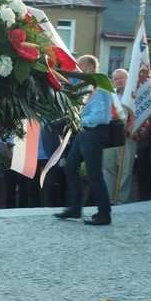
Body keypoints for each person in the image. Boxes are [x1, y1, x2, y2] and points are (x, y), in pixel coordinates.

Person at [56, 55, 113, 226]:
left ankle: (104, 214)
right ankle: (75, 208)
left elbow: (100, 116)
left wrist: (78, 120)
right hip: (85, 132)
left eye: (79, 67)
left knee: (94, 173)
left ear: (89, 67)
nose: (76, 70)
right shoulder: (89, 85)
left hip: (95, 132)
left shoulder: (101, 85)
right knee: (70, 166)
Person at [102, 68, 134, 204]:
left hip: (129, 135)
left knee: (125, 168)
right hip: (111, 136)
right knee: (108, 167)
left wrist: (131, 128)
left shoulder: (133, 97)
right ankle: (109, 198)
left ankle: (121, 199)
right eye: (116, 78)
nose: (119, 81)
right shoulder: (110, 95)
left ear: (128, 79)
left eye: (122, 78)